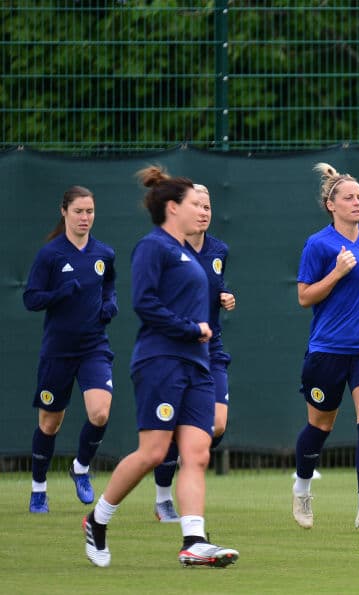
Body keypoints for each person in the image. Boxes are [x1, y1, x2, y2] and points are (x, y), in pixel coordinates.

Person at [82, 165, 238, 568]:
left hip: (199, 365)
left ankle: (193, 540)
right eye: (194, 204)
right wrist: (191, 328)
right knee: (153, 452)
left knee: (197, 454)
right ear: (173, 208)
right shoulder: (153, 247)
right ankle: (97, 520)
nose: (202, 210)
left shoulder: (192, 253)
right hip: (161, 361)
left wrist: (204, 327)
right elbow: (145, 303)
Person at [291, 162, 359, 531]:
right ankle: (302, 488)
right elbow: (305, 297)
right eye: (349, 198)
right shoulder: (318, 245)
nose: (357, 202)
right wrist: (336, 273)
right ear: (331, 205)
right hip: (328, 349)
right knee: (320, 426)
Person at [23, 186, 116, 514]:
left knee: (100, 413)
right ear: (64, 212)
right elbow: (31, 298)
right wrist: (58, 294)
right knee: (49, 425)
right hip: (58, 351)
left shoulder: (104, 253)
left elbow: (109, 285)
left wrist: (110, 303)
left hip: (94, 347)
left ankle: (81, 467)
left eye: (90, 211)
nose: (84, 217)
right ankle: (38, 489)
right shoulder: (50, 255)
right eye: (78, 211)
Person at [151, 183, 237, 522]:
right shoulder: (168, 249)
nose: (203, 212)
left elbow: (214, 285)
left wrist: (225, 296)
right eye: (197, 205)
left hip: (210, 348)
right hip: (176, 349)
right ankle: (163, 499)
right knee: (170, 426)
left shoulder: (219, 250)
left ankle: (185, 459)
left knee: (216, 425)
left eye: (207, 206)